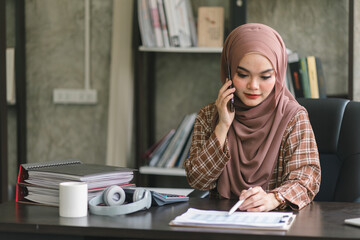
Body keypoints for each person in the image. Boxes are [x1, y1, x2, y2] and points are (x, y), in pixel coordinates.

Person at [184, 23, 321, 212]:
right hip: (222, 223)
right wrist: (222, 126)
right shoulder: (209, 116)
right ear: (229, 71)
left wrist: (274, 198)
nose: (253, 86)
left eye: (265, 77)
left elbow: (307, 179)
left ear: (278, 75)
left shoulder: (293, 117)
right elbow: (198, 181)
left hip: (276, 222)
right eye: (242, 74)